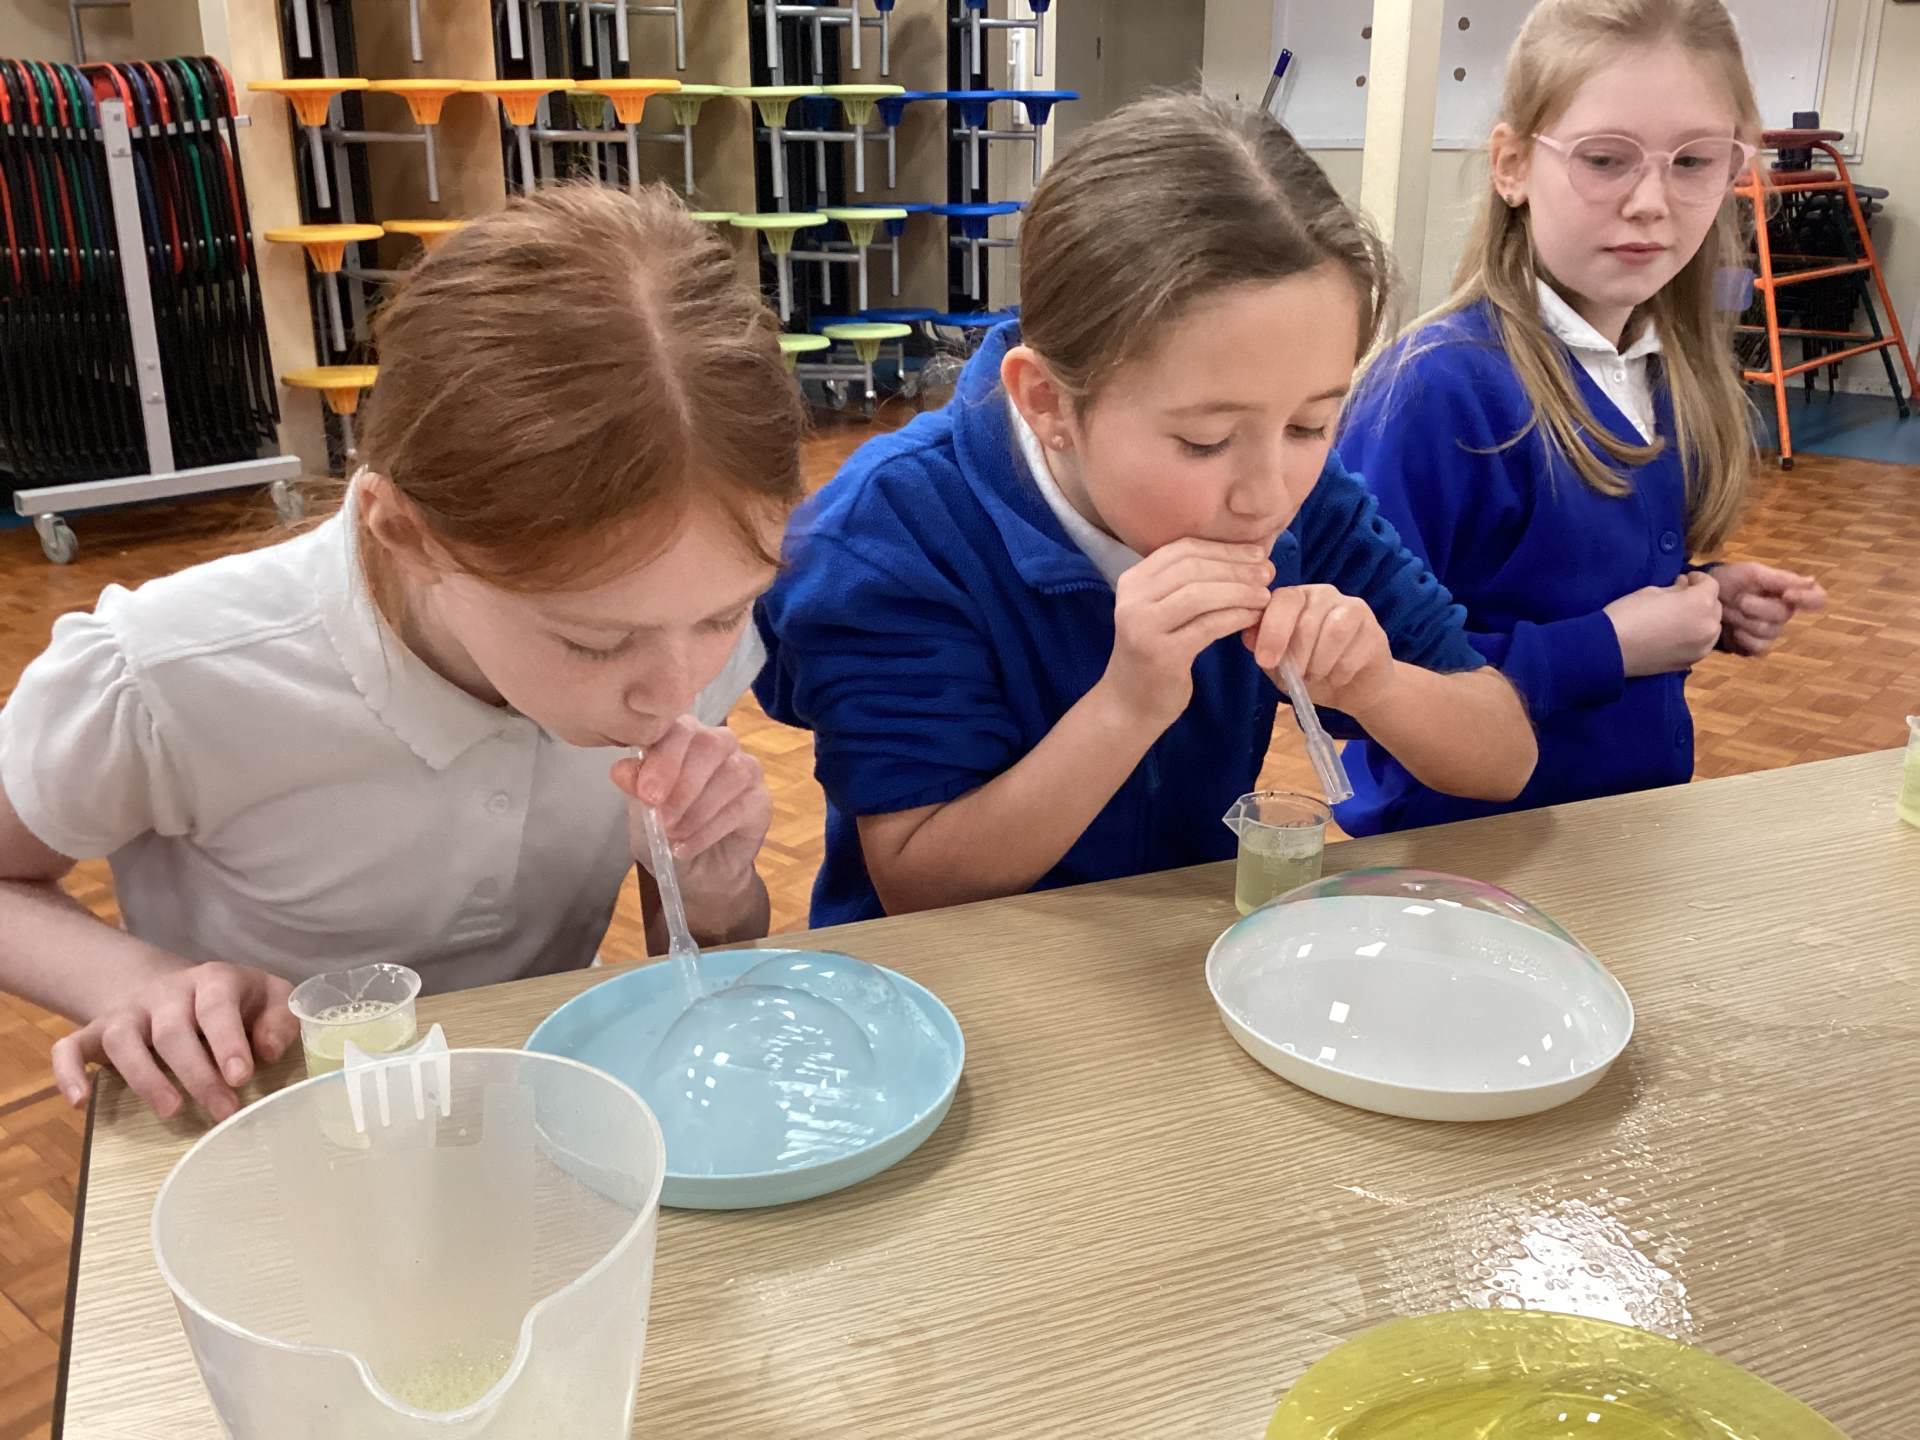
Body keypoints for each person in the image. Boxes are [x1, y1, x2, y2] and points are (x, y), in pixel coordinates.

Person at [0, 184, 805, 1119]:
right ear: (405, 534)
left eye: (724, 616)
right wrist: (136, 982)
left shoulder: (676, 616)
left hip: (529, 1112)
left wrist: (713, 891)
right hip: (270, 1122)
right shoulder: (169, 671)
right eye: (594, 642)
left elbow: (693, 955)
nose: (671, 691)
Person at [755, 94, 1538, 925]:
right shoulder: (889, 533)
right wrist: (1126, 705)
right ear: (1048, 402)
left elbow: (1505, 757)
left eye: (1310, 424)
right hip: (955, 981)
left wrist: (1378, 684)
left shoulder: (1311, 502)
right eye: (1205, 441)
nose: (1269, 495)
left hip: (1173, 958)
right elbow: (923, 886)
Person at [1336, 0, 1826, 834]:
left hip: (1626, 838)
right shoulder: (1437, 390)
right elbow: (1347, 680)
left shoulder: (1672, 370)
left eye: (1694, 161)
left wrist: (1703, 595)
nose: (1651, 202)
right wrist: (1609, 647)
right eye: (1604, 159)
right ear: (1513, 166)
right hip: (1459, 854)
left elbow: (1559, 579)